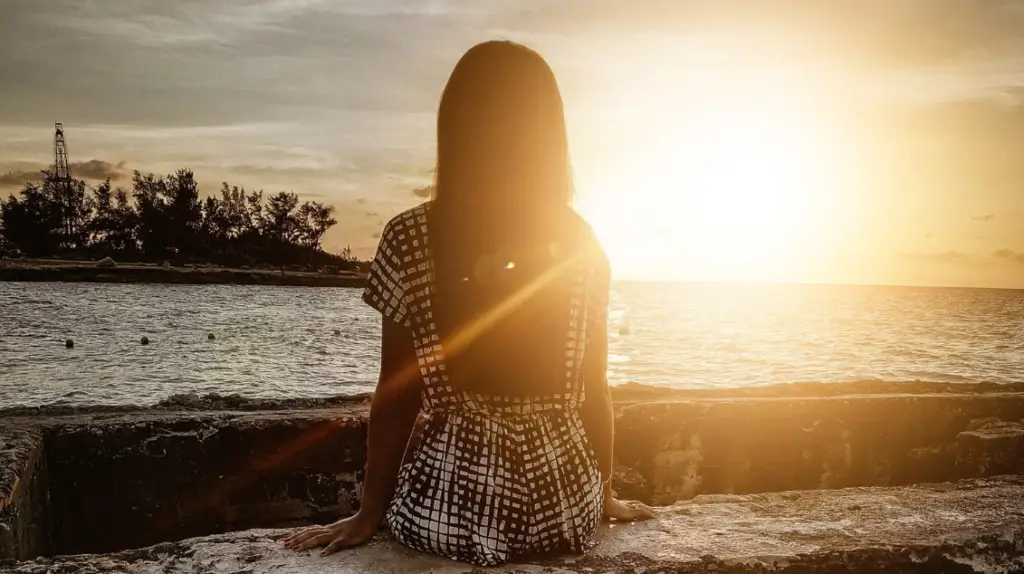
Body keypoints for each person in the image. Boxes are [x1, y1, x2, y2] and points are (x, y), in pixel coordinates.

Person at [284, 40, 654, 566]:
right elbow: (595, 391)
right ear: (549, 135)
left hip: (445, 510)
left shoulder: (409, 236)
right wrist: (605, 494)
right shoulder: (581, 242)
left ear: (455, 127)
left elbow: (396, 395)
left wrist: (370, 512)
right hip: (564, 508)